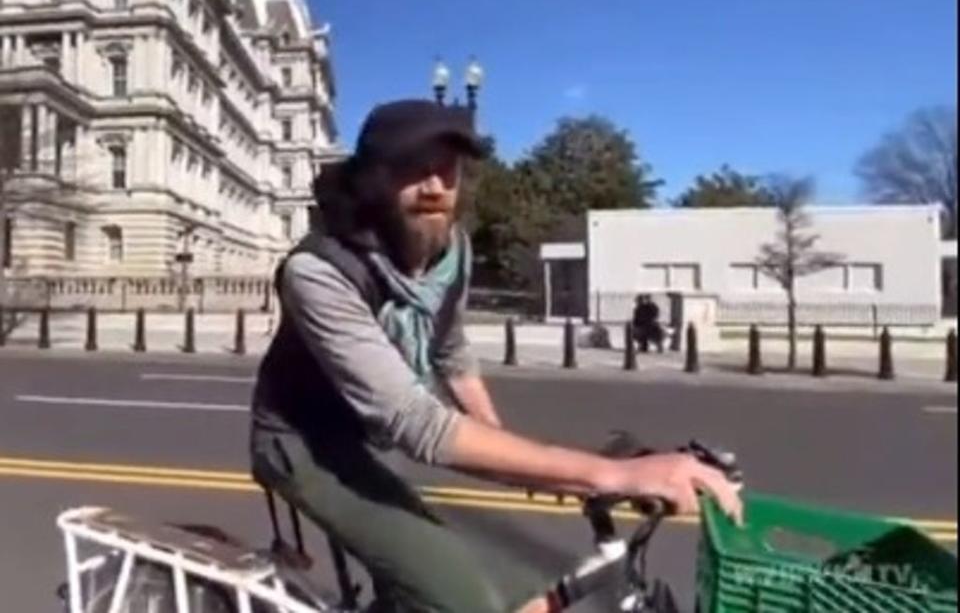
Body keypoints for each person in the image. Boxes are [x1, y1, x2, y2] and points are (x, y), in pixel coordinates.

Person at [249, 99, 742, 613]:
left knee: (517, 590)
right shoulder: (321, 271)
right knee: (464, 600)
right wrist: (609, 475)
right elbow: (413, 421)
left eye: (448, 170)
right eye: (413, 170)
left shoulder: (451, 251)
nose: (436, 186)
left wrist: (507, 445)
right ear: (374, 180)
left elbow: (450, 350)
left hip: (365, 435)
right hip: (303, 444)